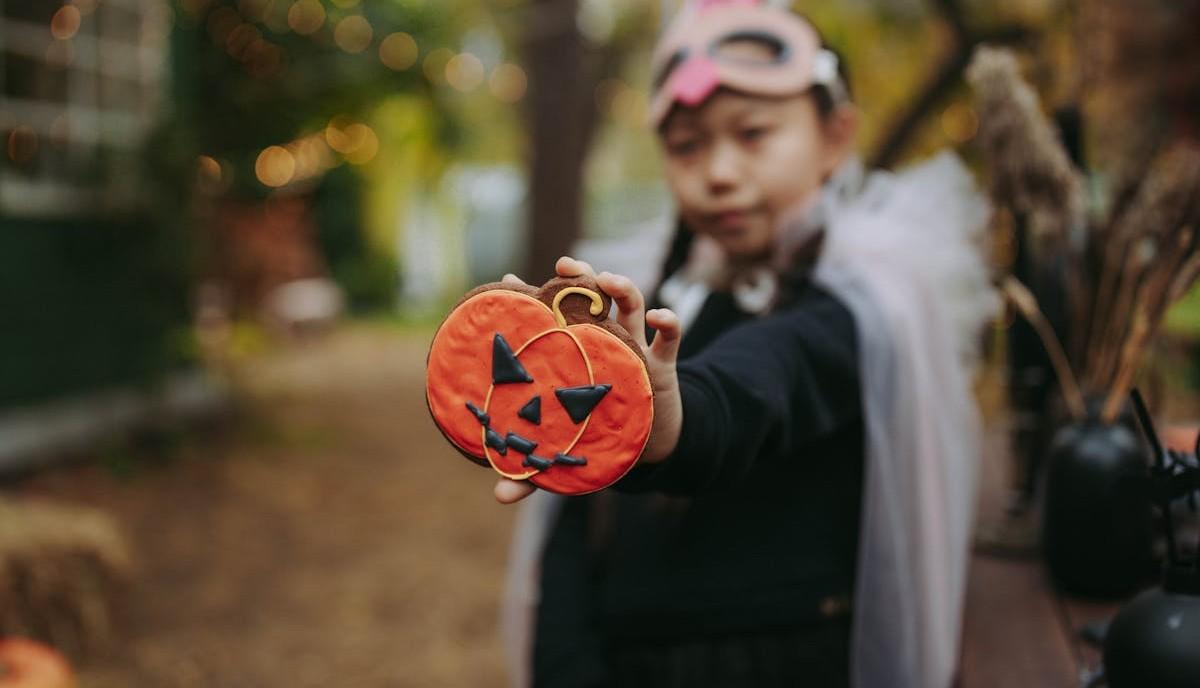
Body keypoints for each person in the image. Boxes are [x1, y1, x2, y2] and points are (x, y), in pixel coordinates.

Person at [489, 1, 998, 686]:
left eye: (753, 133)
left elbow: (765, 378)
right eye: (687, 145)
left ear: (835, 137)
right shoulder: (652, 295)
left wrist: (667, 417)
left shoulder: (862, 304)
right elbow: (576, 533)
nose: (719, 171)